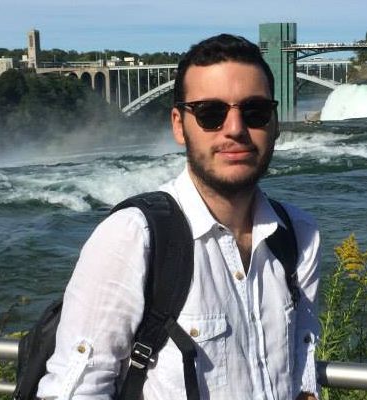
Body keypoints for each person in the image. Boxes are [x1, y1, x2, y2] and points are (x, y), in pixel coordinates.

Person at [36, 34, 320, 400]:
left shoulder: (299, 237)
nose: (234, 128)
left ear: (275, 123)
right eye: (210, 113)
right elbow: (73, 392)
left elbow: (301, 378)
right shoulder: (134, 237)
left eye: (254, 112)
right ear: (177, 125)